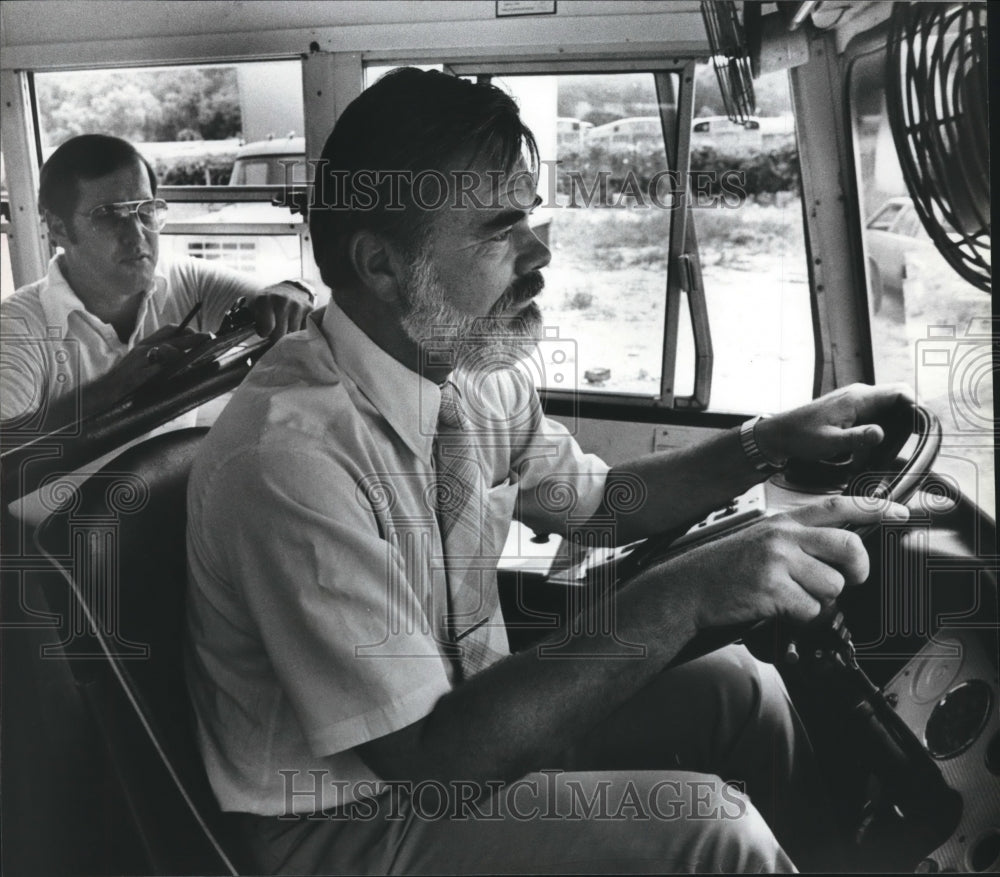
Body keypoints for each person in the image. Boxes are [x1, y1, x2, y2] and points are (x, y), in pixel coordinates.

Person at [185, 68, 910, 874]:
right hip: (348, 817)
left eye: (531, 217)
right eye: (500, 230)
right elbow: (432, 759)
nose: (541, 253)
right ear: (383, 266)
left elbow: (604, 502)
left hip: (472, 726)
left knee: (742, 687)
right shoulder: (288, 459)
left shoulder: (471, 370)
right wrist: (690, 592)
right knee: (714, 828)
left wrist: (770, 441)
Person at [0, 133, 314, 435]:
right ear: (59, 228)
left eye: (146, 210)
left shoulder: (186, 283)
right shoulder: (17, 326)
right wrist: (112, 389)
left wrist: (292, 290)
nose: (136, 234)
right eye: (108, 215)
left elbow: (287, 299)